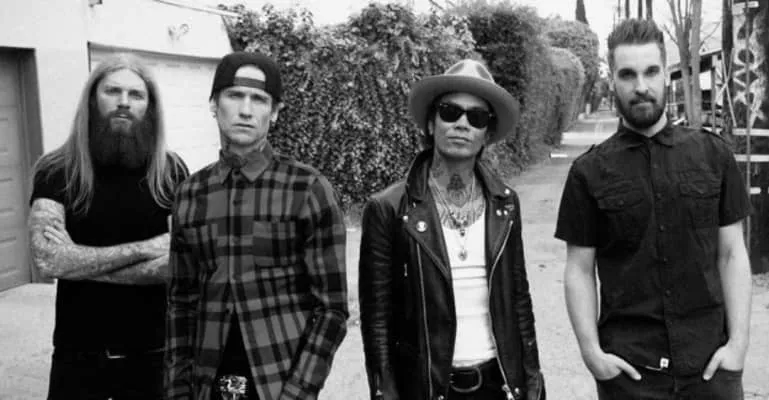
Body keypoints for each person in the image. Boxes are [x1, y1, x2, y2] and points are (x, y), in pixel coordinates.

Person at [555, 19, 752, 399]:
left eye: (650, 72)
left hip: (711, 370)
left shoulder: (714, 156)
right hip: (630, 374)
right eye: (627, 74)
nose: (641, 86)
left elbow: (732, 253)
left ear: (665, 74)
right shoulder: (587, 173)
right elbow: (578, 269)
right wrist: (592, 354)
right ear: (612, 81)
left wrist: (738, 346)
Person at [164, 51, 349, 400]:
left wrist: (298, 392)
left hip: (278, 381)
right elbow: (181, 303)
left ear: (275, 112)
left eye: (259, 99)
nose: (246, 110)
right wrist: (177, 389)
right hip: (206, 383)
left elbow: (332, 309)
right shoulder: (190, 193)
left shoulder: (307, 188)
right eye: (234, 96)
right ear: (214, 105)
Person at [358, 59, 546, 400]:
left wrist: (533, 381)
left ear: (487, 133)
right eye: (450, 112)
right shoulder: (388, 209)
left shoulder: (505, 204)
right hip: (426, 388)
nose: (462, 124)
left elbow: (518, 299)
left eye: (476, 117)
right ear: (431, 123)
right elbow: (377, 321)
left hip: (497, 384)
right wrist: (384, 392)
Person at [28, 53, 189, 399]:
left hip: (154, 354)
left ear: (150, 106)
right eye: (112, 91)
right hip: (78, 355)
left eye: (136, 94)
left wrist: (78, 262)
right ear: (92, 99)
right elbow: (49, 260)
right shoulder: (55, 170)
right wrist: (149, 248)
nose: (124, 102)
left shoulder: (171, 172)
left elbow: (180, 264)